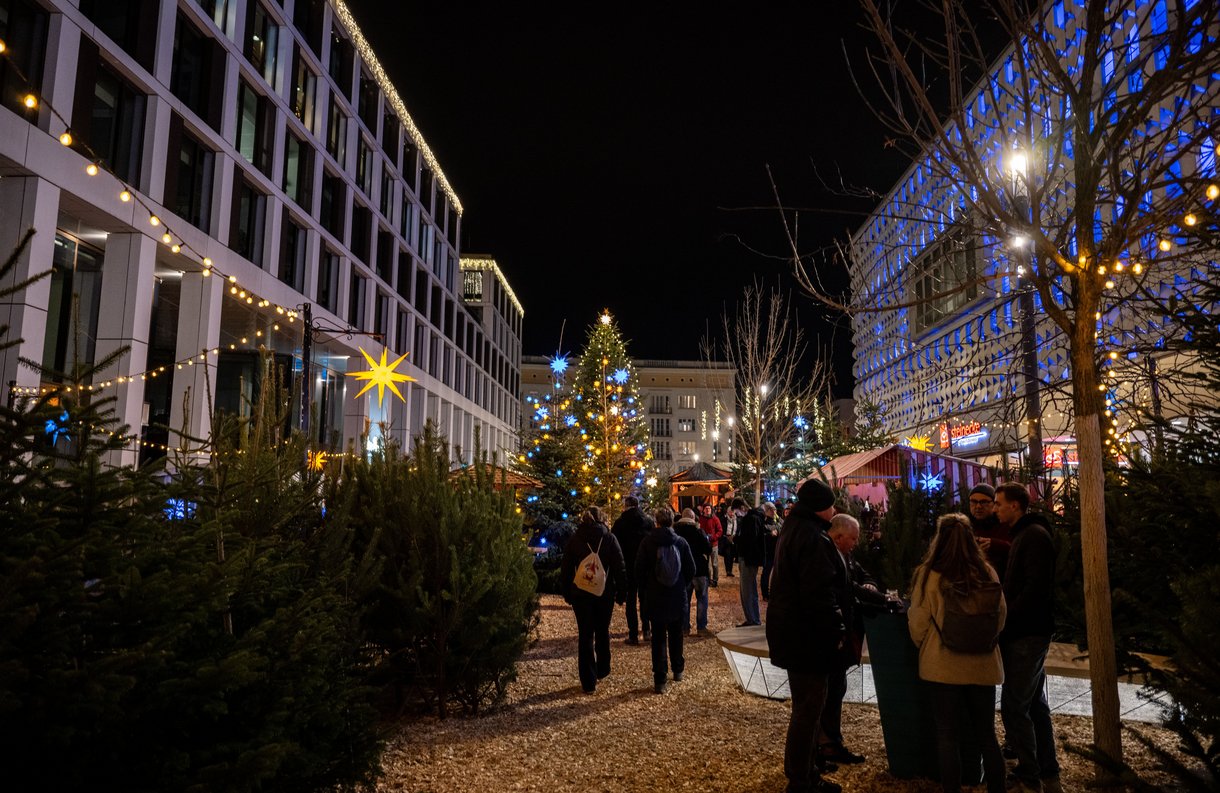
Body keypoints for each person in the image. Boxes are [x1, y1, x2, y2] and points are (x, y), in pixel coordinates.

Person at [907, 513, 1008, 793]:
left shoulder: (929, 574)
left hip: (942, 664)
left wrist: (927, 646)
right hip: (983, 665)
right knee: (987, 734)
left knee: (947, 735)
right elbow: (1000, 617)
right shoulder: (987, 572)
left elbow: (918, 620)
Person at [765, 478, 845, 793]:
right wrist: (836, 628)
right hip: (806, 636)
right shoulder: (813, 538)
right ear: (818, 508)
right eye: (830, 505)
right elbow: (819, 593)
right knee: (809, 708)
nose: (834, 510)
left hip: (791, 631)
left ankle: (805, 771)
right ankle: (801, 777)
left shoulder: (793, 530)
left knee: (806, 706)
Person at [994, 483, 1062, 793]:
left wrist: (1007, 618)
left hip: (1026, 633)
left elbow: (1034, 588)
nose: (996, 509)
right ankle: (1046, 768)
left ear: (1016, 506)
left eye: (999, 504)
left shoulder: (1033, 536)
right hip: (1029, 631)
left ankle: (1029, 772)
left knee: (1014, 705)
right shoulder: (1026, 534)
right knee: (1034, 703)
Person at [819, 513, 887, 766]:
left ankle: (830, 741)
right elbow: (846, 588)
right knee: (831, 690)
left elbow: (862, 576)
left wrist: (870, 585)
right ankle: (827, 744)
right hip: (833, 635)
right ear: (838, 537)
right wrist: (881, 598)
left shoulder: (845, 557)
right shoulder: (828, 557)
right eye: (853, 539)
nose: (856, 543)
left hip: (844, 632)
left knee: (837, 688)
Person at [559, 506, 628, 694]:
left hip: (581, 594)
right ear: (602, 519)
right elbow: (619, 567)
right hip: (603, 593)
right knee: (602, 630)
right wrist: (622, 593)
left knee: (585, 635)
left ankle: (588, 681)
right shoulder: (609, 538)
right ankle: (603, 668)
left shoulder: (575, 539)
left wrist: (567, 593)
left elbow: (566, 569)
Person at [635, 506, 695, 694]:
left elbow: (639, 570)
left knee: (658, 638)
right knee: (676, 635)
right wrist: (681, 585)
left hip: (656, 596)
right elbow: (691, 569)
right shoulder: (681, 543)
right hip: (677, 595)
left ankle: (660, 679)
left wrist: (646, 588)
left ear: (656, 521)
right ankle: (678, 669)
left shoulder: (647, 542)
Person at [612, 495, 654, 645]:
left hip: (628, 566)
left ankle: (633, 634)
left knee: (630, 600)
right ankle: (647, 630)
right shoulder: (648, 522)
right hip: (645, 567)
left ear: (626, 506)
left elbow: (615, 547)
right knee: (645, 599)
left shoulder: (620, 523)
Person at [675, 508, 713, 635]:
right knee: (702, 599)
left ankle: (684, 627)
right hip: (699, 569)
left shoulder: (676, 532)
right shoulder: (698, 531)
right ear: (693, 518)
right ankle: (701, 627)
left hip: (683, 570)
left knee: (684, 600)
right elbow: (708, 549)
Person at [732, 496, 767, 626]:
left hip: (748, 559)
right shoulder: (753, 518)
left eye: (737, 511)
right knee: (748, 590)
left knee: (747, 591)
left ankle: (753, 619)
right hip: (749, 558)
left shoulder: (751, 519)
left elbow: (749, 540)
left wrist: (736, 540)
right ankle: (752, 618)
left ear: (742, 508)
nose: (737, 515)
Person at [966, 483, 1011, 582]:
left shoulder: (1004, 524)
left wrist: (994, 544)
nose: (978, 506)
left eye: (984, 502)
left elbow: (1015, 548)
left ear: (994, 504)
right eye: (973, 502)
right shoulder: (965, 526)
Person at [760, 502, 781, 600]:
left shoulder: (777, 522)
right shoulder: (763, 523)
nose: (773, 511)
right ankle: (765, 593)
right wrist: (769, 534)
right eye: (771, 509)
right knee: (766, 573)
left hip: (777, 551)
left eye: (774, 509)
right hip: (768, 552)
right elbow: (761, 536)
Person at [698, 504, 723, 587]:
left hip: (713, 544)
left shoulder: (715, 519)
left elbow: (720, 531)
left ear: (711, 509)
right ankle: (708, 580)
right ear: (703, 510)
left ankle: (715, 579)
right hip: (704, 545)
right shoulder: (701, 519)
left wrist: (713, 537)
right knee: (706, 564)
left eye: (709, 508)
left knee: (715, 564)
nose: (708, 510)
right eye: (706, 508)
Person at [718, 501, 736, 577]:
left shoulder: (736, 520)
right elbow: (721, 529)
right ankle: (728, 570)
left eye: (733, 512)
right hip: (726, 538)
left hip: (734, 538)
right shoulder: (723, 519)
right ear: (728, 512)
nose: (732, 513)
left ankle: (730, 570)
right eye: (730, 512)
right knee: (727, 555)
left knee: (732, 555)